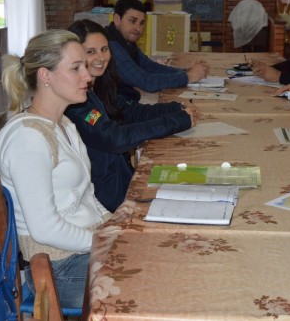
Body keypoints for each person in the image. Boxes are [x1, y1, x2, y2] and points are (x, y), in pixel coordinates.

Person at [0, 30, 111, 308]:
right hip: (57, 269)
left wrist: (116, 226)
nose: (88, 76)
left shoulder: (64, 125)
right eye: (76, 68)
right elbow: (45, 229)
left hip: (81, 252)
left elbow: (87, 196)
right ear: (45, 76)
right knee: (148, 282)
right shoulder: (28, 139)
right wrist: (104, 241)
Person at [65, 19, 197, 212]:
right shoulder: (77, 104)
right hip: (104, 197)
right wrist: (177, 120)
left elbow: (132, 112)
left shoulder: (97, 88)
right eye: (91, 52)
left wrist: (178, 109)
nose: (101, 57)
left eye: (104, 49)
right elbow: (116, 137)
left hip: (120, 178)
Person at [105, 0, 210, 102]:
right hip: (105, 114)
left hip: (122, 106)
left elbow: (150, 66)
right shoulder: (110, 46)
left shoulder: (124, 40)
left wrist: (184, 71)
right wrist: (189, 77)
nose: (138, 28)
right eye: (133, 21)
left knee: (182, 112)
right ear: (117, 19)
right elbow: (147, 82)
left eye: (141, 23)